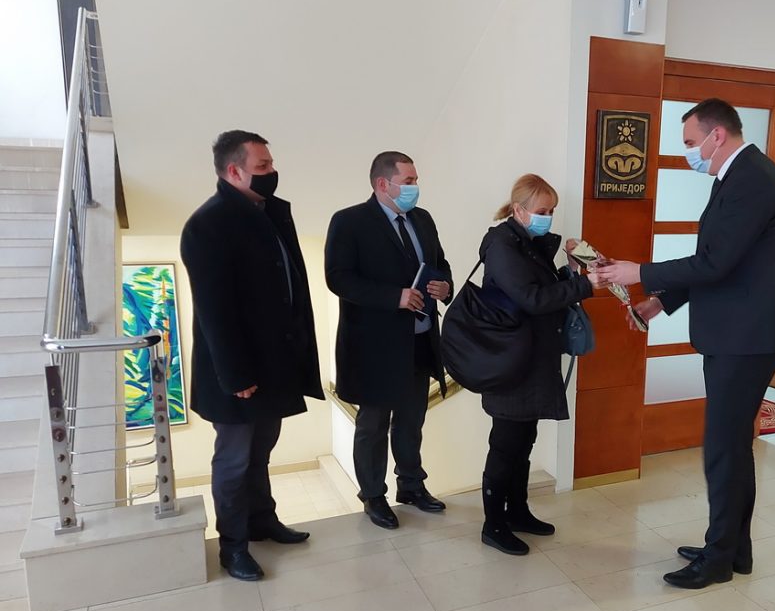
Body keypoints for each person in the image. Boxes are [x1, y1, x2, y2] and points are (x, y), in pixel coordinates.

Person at [594, 98, 775, 589]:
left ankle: (718, 559)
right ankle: (733, 549)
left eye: (690, 142)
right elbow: (717, 260)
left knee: (723, 450)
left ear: (716, 135)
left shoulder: (752, 179)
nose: (689, 152)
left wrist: (639, 273)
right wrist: (659, 302)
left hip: (746, 336)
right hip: (738, 332)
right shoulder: (736, 176)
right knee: (732, 447)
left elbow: (715, 264)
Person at [180, 130, 324, 582]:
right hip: (238, 373)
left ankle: (263, 520)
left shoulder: (270, 212)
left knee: (262, 448)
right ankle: (233, 545)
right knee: (234, 459)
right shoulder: (208, 224)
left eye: (270, 164)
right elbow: (215, 311)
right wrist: (236, 374)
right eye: (262, 167)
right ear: (234, 171)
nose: (272, 172)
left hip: (274, 364)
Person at [325, 151, 453, 529]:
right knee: (374, 425)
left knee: (412, 420)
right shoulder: (349, 221)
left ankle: (411, 485)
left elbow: (440, 263)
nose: (415, 187)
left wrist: (444, 285)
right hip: (375, 347)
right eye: (408, 181)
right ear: (383, 184)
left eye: (416, 181)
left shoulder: (423, 219)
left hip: (420, 339)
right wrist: (393, 297)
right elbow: (338, 278)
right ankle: (373, 496)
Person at [476, 174, 595, 555]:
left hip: (531, 356)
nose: (549, 217)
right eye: (543, 211)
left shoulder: (526, 242)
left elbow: (543, 287)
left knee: (524, 438)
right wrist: (585, 285)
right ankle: (493, 524)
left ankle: (517, 511)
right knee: (505, 443)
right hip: (510, 360)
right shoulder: (502, 244)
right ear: (519, 210)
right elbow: (531, 298)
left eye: (552, 211)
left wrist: (573, 268)